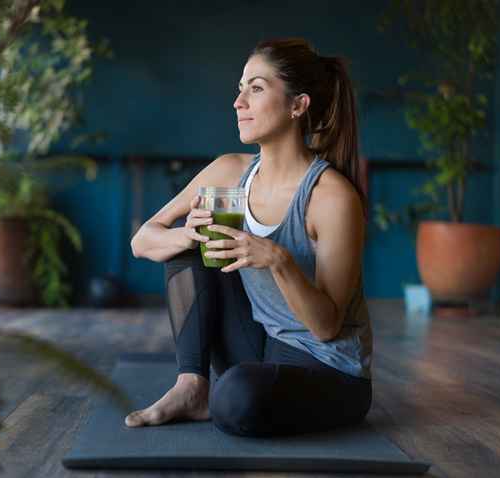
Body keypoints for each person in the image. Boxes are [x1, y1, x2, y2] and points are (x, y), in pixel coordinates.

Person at [125, 38, 372, 437]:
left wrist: (278, 260)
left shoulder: (331, 198)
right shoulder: (229, 172)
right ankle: (191, 386)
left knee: (237, 399)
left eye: (255, 88)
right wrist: (188, 236)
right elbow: (143, 240)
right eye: (240, 89)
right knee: (187, 248)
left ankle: (225, 394)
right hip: (260, 343)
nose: (238, 102)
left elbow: (327, 327)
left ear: (298, 105)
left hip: (327, 368)